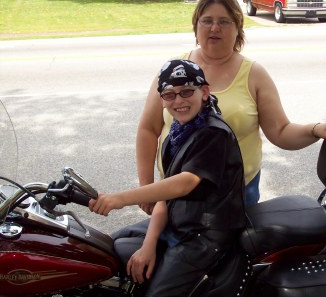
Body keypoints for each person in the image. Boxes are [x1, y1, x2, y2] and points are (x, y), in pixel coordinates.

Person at [136, 0, 326, 209]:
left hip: (234, 197)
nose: (215, 28)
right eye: (207, 21)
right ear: (196, 25)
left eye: (224, 21)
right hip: (174, 191)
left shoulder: (254, 74)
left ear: (238, 27)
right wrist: (146, 188)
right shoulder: (173, 70)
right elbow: (148, 129)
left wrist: (315, 130)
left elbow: (280, 131)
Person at [89, 59, 246, 296]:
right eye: (169, 95)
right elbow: (166, 193)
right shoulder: (180, 130)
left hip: (204, 235)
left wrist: (119, 199)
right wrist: (149, 245)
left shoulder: (213, 133)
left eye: (186, 92)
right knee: (104, 248)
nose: (179, 101)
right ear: (161, 99)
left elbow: (184, 183)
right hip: (179, 222)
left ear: (204, 92)